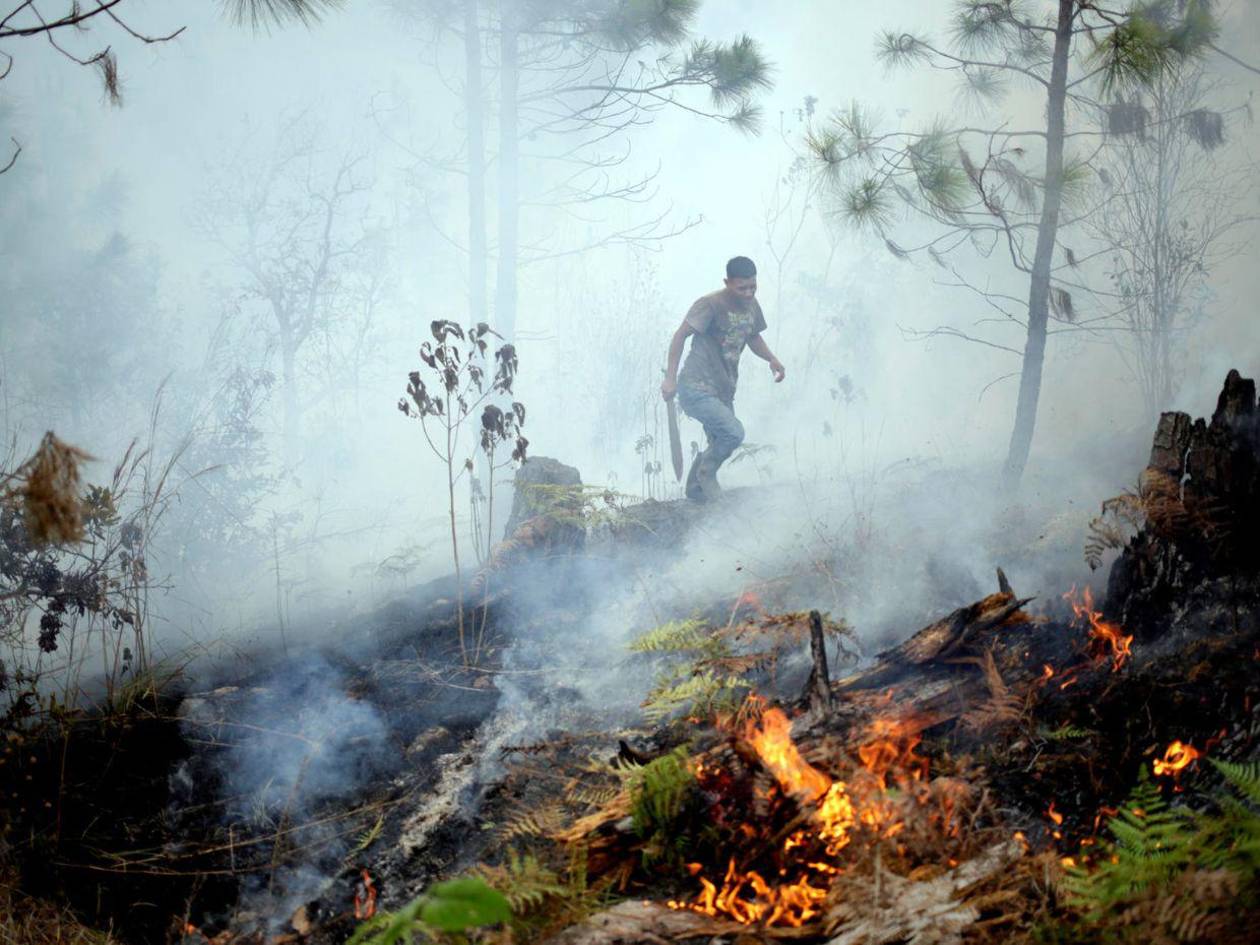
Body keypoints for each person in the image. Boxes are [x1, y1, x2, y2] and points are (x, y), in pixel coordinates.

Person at [661, 256, 785, 501]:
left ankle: (696, 492)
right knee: (733, 433)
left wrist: (771, 358)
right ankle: (706, 474)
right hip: (695, 386)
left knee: (719, 439)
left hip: (723, 389)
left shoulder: (751, 305)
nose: (748, 293)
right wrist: (670, 379)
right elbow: (680, 336)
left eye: (753, 287)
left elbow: (753, 337)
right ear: (727, 282)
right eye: (742, 288)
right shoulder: (710, 304)